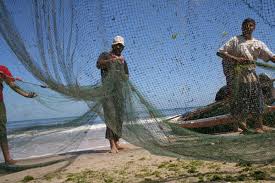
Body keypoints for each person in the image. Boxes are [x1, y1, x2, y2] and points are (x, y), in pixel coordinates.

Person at [217, 18, 275, 134]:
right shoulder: (235, 40)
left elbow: (271, 57)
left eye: (250, 25)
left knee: (258, 99)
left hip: (251, 74)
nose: (247, 28)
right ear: (241, 28)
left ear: (254, 27)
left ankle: (259, 126)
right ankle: (241, 126)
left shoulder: (258, 43)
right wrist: (236, 59)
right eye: (245, 26)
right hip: (237, 75)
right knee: (240, 100)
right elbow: (220, 52)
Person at [96, 36, 129, 153]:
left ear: (123, 47)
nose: (119, 47)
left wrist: (121, 75)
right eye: (117, 45)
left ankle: (117, 141)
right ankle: (112, 145)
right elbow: (98, 64)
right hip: (107, 92)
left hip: (119, 91)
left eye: (121, 45)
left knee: (119, 116)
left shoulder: (123, 60)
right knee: (110, 115)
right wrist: (111, 61)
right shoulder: (105, 55)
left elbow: (126, 76)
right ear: (113, 46)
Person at [0, 65, 37, 164]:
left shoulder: (3, 69)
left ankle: (8, 159)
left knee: (1, 129)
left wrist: (26, 94)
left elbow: (13, 85)